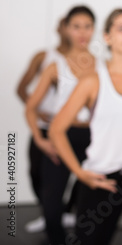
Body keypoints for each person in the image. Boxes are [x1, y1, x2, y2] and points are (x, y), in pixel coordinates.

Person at [50, 8, 122, 244]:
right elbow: (56, 129)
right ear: (107, 37)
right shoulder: (93, 81)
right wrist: (79, 172)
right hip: (100, 180)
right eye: (121, 28)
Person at [26, 5, 96, 245]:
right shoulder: (56, 66)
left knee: (93, 199)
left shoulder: (103, 66)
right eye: (76, 26)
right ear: (66, 29)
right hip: (61, 136)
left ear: (94, 29)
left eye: (87, 26)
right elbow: (31, 107)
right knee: (52, 203)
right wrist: (40, 139)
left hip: (93, 138)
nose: (82, 32)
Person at [16, 17, 73, 233]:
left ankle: (63, 211)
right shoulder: (45, 57)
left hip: (71, 128)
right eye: (71, 25)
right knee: (36, 172)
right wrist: (37, 110)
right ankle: (48, 212)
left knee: (77, 171)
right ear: (59, 28)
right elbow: (21, 88)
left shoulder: (86, 61)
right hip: (43, 126)